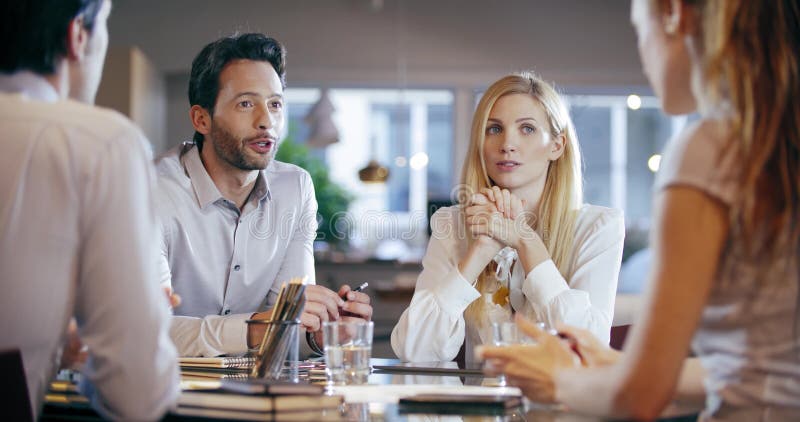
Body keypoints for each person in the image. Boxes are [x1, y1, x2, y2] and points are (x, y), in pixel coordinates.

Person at [479, 0, 800, 420]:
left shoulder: (708, 149)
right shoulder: (778, 141)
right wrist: (618, 366)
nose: (644, 56)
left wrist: (560, 380)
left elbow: (642, 397)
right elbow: (763, 369)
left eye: (639, 30)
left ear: (674, 15)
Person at [0, 0, 180, 419]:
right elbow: (138, 395)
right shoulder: (100, 142)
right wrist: (138, 320)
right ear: (77, 36)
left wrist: (58, 342)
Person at [156, 33, 372, 357]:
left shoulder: (295, 189)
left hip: (254, 395)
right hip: (161, 396)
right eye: (246, 103)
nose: (266, 121)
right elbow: (142, 331)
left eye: (275, 104)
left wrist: (319, 335)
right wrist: (261, 325)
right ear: (202, 119)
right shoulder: (147, 191)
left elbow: (285, 330)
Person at [391, 72, 625, 363]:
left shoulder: (598, 227)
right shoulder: (451, 224)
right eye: (494, 129)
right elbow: (414, 350)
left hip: (560, 406)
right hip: (481, 407)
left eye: (527, 128)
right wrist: (482, 249)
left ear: (557, 145)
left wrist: (525, 241)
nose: (507, 144)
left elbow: (588, 349)